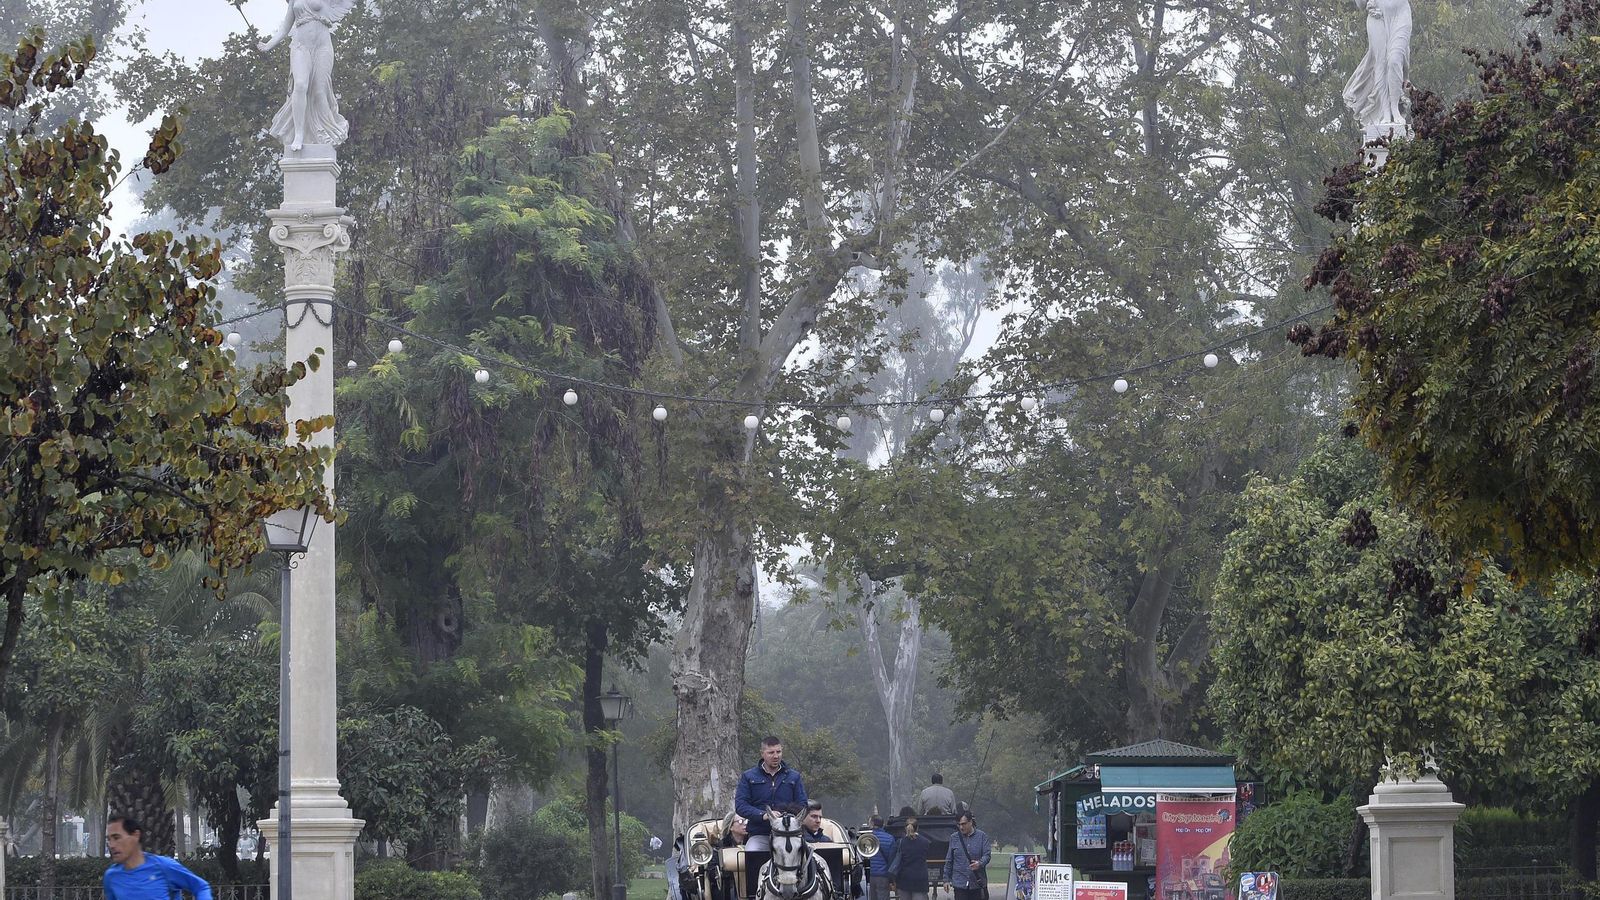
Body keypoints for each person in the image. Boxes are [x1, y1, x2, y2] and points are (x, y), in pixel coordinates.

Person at [259, 0, 355, 151]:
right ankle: (299, 134)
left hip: (323, 47)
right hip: (300, 46)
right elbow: (285, 28)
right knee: (300, 85)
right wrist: (268, 45)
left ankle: (325, 131)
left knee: (319, 92)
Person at [103, 816, 213, 900]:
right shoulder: (111, 876)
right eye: (109, 839)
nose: (111, 845)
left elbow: (201, 887)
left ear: (136, 835)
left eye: (116, 838)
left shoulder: (163, 866)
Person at [734, 735, 808, 852]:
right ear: (762, 753)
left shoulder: (794, 777)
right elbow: (741, 806)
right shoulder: (748, 777)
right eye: (771, 752)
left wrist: (787, 816)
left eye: (778, 752)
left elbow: (803, 805)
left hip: (789, 834)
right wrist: (763, 815)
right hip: (760, 835)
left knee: (809, 855)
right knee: (751, 853)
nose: (776, 756)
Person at [942, 812, 991, 900]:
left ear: (970, 822)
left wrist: (979, 863)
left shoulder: (982, 836)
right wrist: (946, 880)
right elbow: (949, 860)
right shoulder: (954, 838)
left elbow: (987, 855)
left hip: (977, 883)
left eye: (963, 824)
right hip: (960, 884)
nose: (961, 827)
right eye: (959, 824)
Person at [889, 820, 931, 900]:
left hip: (904, 880)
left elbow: (893, 859)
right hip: (920, 880)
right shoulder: (925, 842)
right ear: (917, 828)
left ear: (905, 828)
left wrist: (892, 879)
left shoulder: (900, 842)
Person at [867, 815, 897, 900]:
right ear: (883, 824)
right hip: (884, 875)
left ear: (872, 823)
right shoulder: (890, 838)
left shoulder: (867, 838)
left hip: (871, 874)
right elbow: (892, 859)